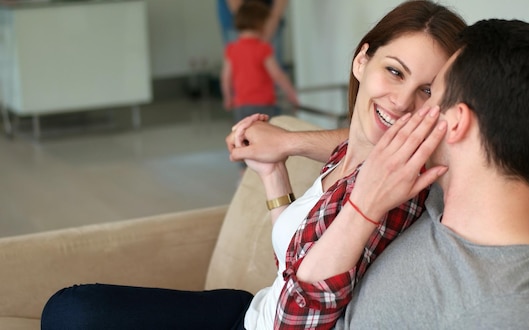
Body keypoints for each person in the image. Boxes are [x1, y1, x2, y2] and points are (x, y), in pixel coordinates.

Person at [40, 1, 466, 329]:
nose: (403, 101)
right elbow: (294, 259)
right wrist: (273, 171)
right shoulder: (347, 154)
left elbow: (296, 319)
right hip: (247, 308)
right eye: (394, 72)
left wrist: (356, 197)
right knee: (72, 307)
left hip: (261, 321)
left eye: (427, 91)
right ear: (361, 61)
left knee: (74, 314)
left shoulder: (390, 192)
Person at [228, 18, 529, 328]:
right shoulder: (455, 195)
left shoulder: (502, 312)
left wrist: (363, 206)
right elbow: (365, 142)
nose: (406, 110)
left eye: (431, 94)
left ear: (455, 122)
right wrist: (289, 143)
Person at [220, 0, 299, 124]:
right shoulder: (263, 49)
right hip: (264, 104)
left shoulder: (232, 49)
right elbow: (277, 75)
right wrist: (291, 93)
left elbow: (226, 77)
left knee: (243, 136)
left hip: (241, 105)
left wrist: (228, 97)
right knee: (266, 135)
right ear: (261, 25)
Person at [217, 0, 289, 68]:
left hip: (269, 17)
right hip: (237, 19)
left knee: (273, 69)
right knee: (240, 70)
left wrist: (272, 23)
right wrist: (248, 26)